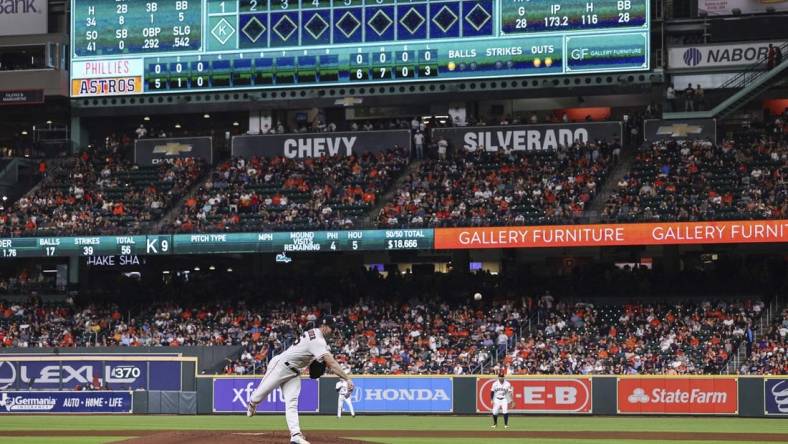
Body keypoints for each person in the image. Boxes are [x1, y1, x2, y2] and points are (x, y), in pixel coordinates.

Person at [246, 316, 353, 444]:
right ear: (324, 327)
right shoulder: (318, 340)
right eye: (332, 328)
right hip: (280, 366)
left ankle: (295, 435)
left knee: (292, 402)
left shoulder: (316, 336)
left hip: (294, 372)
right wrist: (347, 378)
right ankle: (252, 402)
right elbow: (331, 363)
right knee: (260, 395)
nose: (334, 331)